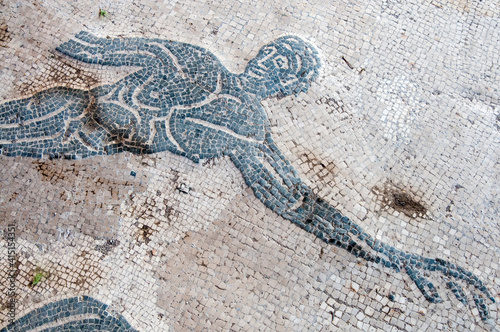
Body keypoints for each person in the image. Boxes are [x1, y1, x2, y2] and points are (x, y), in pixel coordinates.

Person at [0, 32, 494, 319]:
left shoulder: (248, 132)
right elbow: (139, 50)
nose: (269, 63)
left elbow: (298, 201)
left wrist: (389, 255)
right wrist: (85, 45)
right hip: (69, 107)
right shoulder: (202, 62)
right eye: (273, 53)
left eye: (284, 67)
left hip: (83, 142)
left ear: (286, 87)